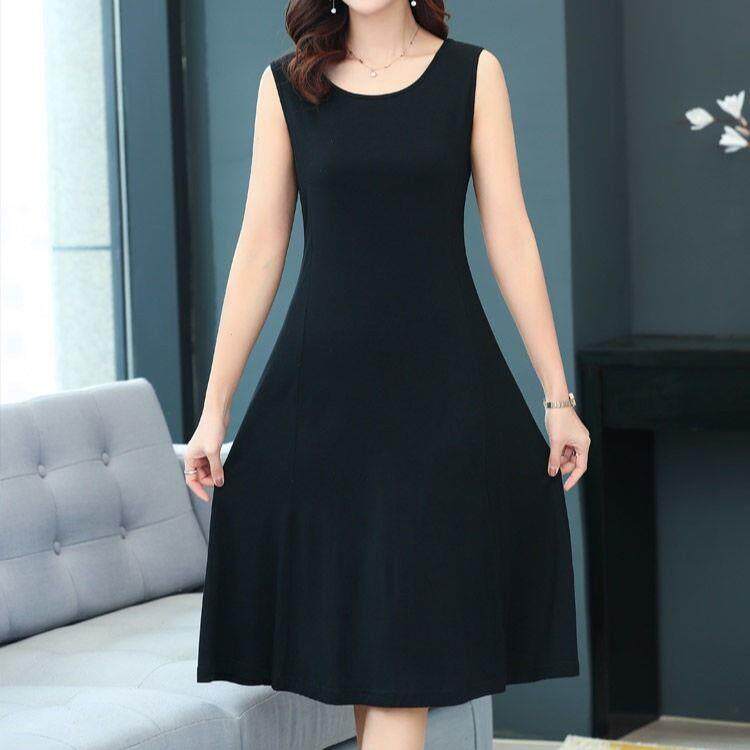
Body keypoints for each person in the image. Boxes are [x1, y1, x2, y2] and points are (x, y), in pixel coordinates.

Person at [185, 1, 589, 748]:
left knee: (405, 659)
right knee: (375, 670)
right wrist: (214, 412)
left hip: (442, 400)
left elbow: (510, 233)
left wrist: (556, 396)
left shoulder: (473, 74)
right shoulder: (287, 85)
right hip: (324, 408)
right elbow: (259, 250)